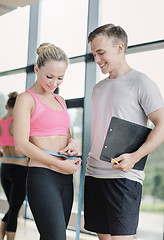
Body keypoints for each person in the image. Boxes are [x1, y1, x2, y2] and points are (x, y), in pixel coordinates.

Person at [84, 24, 164, 240]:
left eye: (101, 53)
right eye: (94, 54)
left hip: (124, 177)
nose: (97, 60)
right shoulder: (97, 89)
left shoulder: (142, 83)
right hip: (94, 175)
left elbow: (162, 125)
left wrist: (135, 157)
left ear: (120, 47)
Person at [13, 43, 81, 240]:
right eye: (49, 76)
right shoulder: (26, 99)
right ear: (37, 69)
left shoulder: (61, 101)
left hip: (65, 178)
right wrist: (59, 163)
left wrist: (72, 143)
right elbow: (21, 144)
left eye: (60, 78)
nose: (54, 83)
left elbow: (67, 134)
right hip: (43, 176)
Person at [0, 92, 29, 240]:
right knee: (14, 208)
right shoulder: (18, 120)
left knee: (13, 206)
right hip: (20, 168)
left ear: (6, 106)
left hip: (4, 168)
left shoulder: (1, 121)